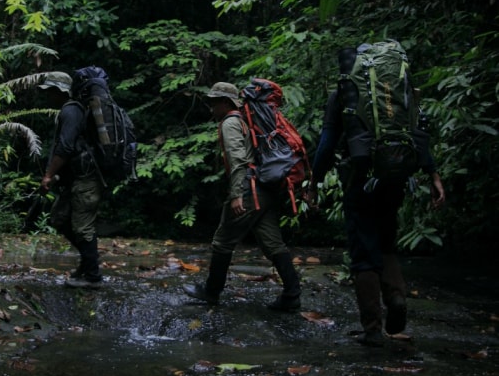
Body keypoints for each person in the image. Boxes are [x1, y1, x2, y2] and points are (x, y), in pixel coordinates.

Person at [306, 47, 445, 346]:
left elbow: (328, 141)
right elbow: (419, 132)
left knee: (363, 250)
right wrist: (433, 174)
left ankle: (372, 329)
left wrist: (314, 181)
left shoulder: (345, 93)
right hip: (397, 177)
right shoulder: (402, 91)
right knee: (385, 241)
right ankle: (396, 296)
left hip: (360, 178)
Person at [183, 82, 302, 311]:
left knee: (222, 240)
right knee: (272, 241)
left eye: (214, 102)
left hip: (249, 190)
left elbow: (238, 160)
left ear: (226, 103)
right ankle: (292, 295)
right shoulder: (248, 119)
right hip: (265, 189)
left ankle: (211, 292)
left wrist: (237, 194)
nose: (211, 108)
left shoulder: (230, 122)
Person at [37, 71, 105, 289]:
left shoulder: (71, 111)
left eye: (50, 91)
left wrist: (48, 175)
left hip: (85, 179)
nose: (48, 96)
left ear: (60, 91)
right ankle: (87, 264)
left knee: (82, 228)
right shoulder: (72, 111)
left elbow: (65, 147)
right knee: (59, 219)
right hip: (74, 179)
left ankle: (93, 275)